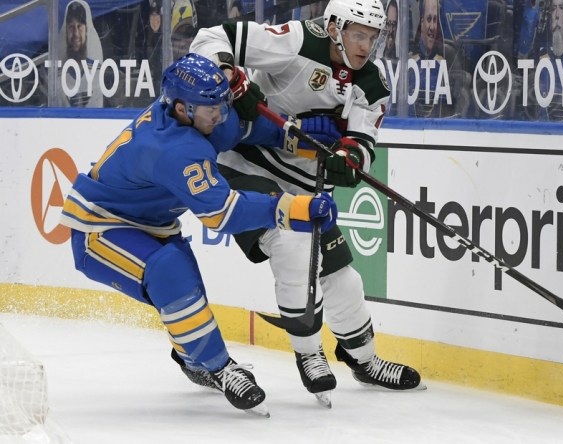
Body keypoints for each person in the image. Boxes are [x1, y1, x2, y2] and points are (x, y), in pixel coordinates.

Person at [58, 53, 341, 415]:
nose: (221, 114)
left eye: (223, 103)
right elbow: (224, 214)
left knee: (186, 286)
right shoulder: (170, 149)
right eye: (213, 108)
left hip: (153, 222)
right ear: (180, 109)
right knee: (170, 274)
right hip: (101, 229)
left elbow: (246, 128)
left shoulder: (202, 114)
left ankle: (193, 361)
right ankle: (221, 369)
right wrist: (298, 209)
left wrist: (297, 138)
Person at [190, 0, 424, 408]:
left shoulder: (371, 82)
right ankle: (308, 351)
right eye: (358, 34)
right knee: (294, 248)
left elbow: (363, 143)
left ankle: (363, 359)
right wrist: (231, 78)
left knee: (344, 279)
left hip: (302, 186)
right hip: (244, 167)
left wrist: (349, 158)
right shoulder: (298, 40)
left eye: (372, 36)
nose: (366, 45)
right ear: (334, 27)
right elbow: (212, 38)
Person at [59, 0, 103, 107]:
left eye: (80, 26)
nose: (76, 34)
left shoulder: (97, 71)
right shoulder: (56, 75)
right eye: (71, 27)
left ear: (86, 30)